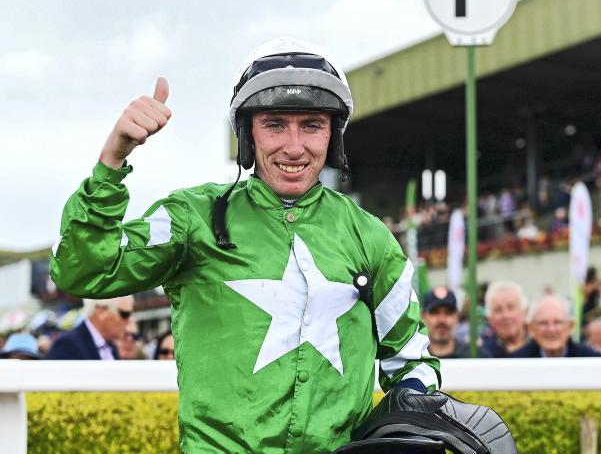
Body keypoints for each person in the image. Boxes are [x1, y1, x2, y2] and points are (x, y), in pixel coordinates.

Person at [49, 38, 440, 453]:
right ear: (247, 134)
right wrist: (113, 159)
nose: (294, 146)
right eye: (275, 124)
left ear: (333, 136)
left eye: (312, 125)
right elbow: (82, 271)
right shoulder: (192, 218)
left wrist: (408, 420)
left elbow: (412, 361)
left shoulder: (371, 236)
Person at [46, 297, 132, 360]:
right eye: (125, 314)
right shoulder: (67, 346)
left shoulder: (111, 347)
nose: (129, 321)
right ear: (101, 311)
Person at [520, 296, 601, 358]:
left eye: (557, 322)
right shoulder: (516, 361)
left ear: (570, 327)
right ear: (531, 329)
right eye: (543, 323)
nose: (551, 329)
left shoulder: (594, 361)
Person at [421, 287, 479, 359]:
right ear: (423, 316)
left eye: (448, 312)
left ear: (457, 316)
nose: (442, 320)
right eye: (434, 312)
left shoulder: (476, 357)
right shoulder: (413, 360)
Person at [479, 281, 529, 358]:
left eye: (511, 308)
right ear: (489, 317)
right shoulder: (481, 352)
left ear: (524, 312)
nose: (505, 315)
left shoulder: (541, 347)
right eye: (498, 310)